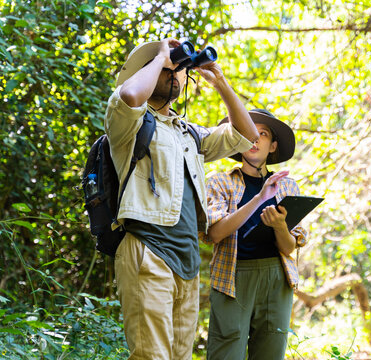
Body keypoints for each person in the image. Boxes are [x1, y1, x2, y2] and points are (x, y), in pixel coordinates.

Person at [105, 38, 259, 359]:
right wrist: (161, 54)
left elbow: (247, 136)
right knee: (152, 356)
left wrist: (220, 82)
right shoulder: (128, 120)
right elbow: (132, 95)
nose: (173, 72)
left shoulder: (187, 132)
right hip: (149, 249)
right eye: (164, 69)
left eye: (177, 68)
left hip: (186, 260)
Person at [202, 109, 308, 360]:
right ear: (236, 139)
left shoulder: (287, 186)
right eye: (248, 131)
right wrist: (260, 198)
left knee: (270, 353)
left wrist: (280, 226)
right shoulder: (219, 183)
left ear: (272, 146)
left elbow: (289, 248)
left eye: (262, 134)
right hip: (232, 278)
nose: (255, 139)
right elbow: (215, 234)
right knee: (225, 353)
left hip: (276, 278)